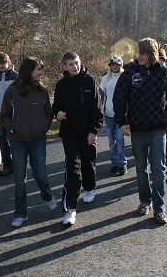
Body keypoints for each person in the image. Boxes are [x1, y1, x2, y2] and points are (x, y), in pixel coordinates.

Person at [113, 38, 167, 224]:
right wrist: (122, 121)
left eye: (143, 53)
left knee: (158, 168)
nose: (139, 56)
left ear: (152, 53)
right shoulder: (130, 72)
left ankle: (160, 208)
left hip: (157, 127)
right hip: (137, 128)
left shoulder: (164, 71)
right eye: (138, 52)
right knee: (141, 168)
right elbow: (119, 97)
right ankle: (145, 201)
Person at [0, 57, 57, 228]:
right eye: (38, 69)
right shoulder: (11, 91)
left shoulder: (42, 91)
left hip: (38, 140)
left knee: (40, 174)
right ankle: (20, 214)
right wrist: (12, 129)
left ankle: (47, 195)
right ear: (28, 70)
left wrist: (44, 128)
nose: (41, 72)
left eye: (42, 69)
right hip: (18, 141)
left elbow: (49, 113)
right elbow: (4, 115)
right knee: (20, 179)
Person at [52, 52, 103, 225]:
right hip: (69, 134)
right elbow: (56, 106)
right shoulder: (61, 85)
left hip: (87, 132)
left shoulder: (90, 82)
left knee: (88, 163)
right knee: (72, 169)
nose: (75, 66)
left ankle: (89, 187)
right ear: (64, 67)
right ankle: (70, 210)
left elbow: (98, 110)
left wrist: (94, 131)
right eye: (70, 64)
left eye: (76, 63)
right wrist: (57, 113)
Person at [99, 55, 127, 175]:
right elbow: (100, 96)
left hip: (122, 115)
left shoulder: (125, 77)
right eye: (113, 64)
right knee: (111, 141)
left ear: (120, 65)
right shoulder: (105, 79)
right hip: (109, 114)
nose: (115, 66)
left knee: (119, 138)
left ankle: (122, 164)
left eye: (117, 64)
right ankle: (114, 163)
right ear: (110, 66)